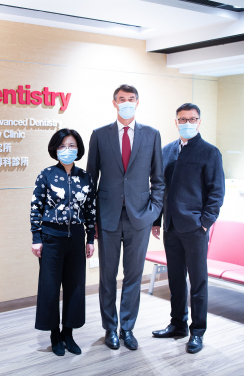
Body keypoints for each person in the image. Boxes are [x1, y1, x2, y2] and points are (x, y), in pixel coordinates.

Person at [87, 84, 164, 350]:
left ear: (138, 103)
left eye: (131, 99)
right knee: (107, 277)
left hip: (139, 218)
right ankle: (110, 328)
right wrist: (92, 220)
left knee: (133, 276)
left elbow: (159, 179)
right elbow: (91, 180)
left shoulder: (152, 135)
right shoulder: (99, 135)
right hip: (107, 217)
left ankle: (127, 328)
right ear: (114, 103)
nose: (126, 103)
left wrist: (154, 213)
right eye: (122, 99)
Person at [151, 103, 225, 354]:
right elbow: (160, 189)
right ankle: (178, 325)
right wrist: (156, 220)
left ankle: (197, 331)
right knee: (175, 280)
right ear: (176, 121)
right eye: (182, 119)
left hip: (195, 228)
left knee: (198, 281)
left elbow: (216, 192)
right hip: (171, 227)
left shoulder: (209, 152)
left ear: (199, 121)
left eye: (192, 119)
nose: (187, 123)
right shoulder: (167, 150)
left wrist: (205, 223)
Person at [30, 128, 96, 357]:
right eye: (62, 146)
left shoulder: (85, 177)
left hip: (76, 238)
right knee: (49, 288)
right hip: (51, 239)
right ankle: (54, 335)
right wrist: (36, 238)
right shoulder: (46, 175)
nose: (67, 150)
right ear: (55, 149)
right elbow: (35, 208)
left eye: (71, 146)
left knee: (75, 287)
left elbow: (90, 210)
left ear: (78, 149)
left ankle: (68, 333)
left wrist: (91, 238)